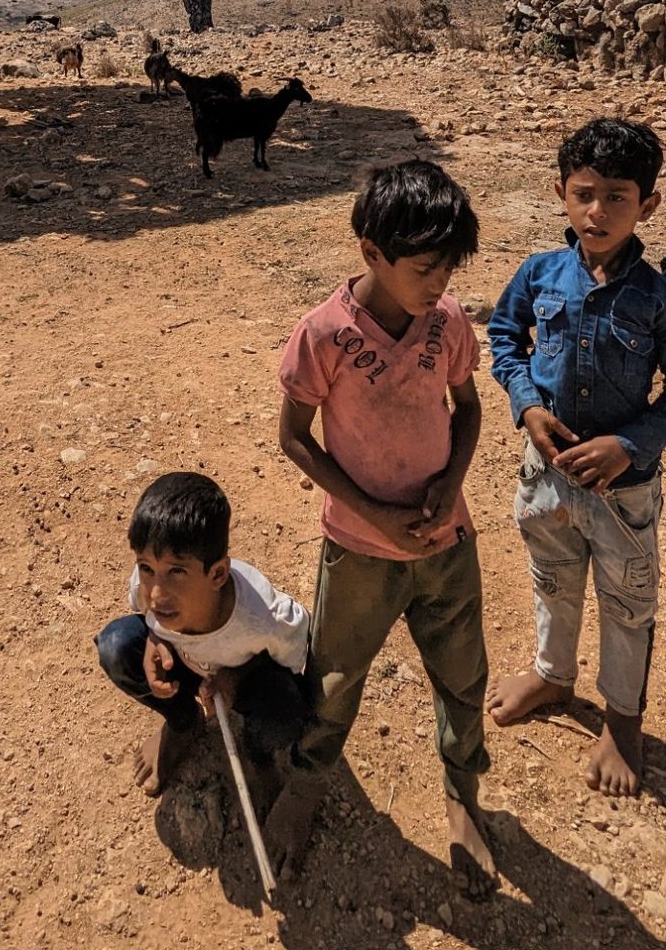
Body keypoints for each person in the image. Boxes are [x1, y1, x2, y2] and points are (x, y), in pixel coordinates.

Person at [273, 159, 495, 898]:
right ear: (372, 252)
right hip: (360, 549)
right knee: (334, 677)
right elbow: (295, 438)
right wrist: (375, 515)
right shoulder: (323, 335)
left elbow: (468, 409)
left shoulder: (448, 322)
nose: (439, 283)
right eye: (425, 267)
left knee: (462, 675)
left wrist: (451, 484)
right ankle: (307, 783)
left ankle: (463, 794)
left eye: (449, 267)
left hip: (445, 543)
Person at [487, 116, 665, 797]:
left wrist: (628, 445)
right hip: (547, 479)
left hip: (625, 492)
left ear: (647, 204)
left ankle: (622, 720)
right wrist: (528, 405)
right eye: (584, 194)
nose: (597, 211)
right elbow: (506, 337)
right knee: (553, 581)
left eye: (617, 197)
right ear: (560, 193)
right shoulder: (539, 274)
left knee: (628, 602)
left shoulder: (656, 296)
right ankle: (552, 676)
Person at [95, 471, 310, 800]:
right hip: (185, 662)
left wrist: (235, 677)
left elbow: (296, 655)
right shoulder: (146, 589)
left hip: (245, 676)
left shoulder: (265, 619)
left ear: (218, 573)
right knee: (116, 647)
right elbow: (146, 613)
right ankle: (183, 723)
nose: (156, 594)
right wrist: (156, 637)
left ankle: (258, 758)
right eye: (146, 567)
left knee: (285, 712)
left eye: (176, 572)